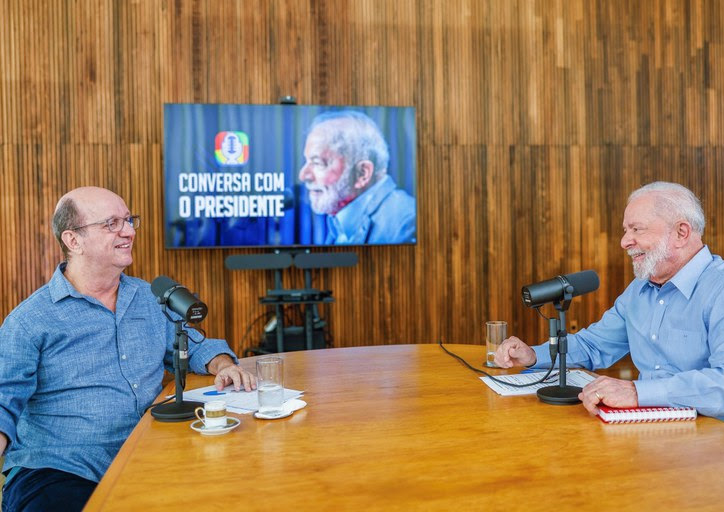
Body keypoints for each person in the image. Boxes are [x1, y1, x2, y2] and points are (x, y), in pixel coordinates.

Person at [0, 187, 255, 511]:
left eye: (129, 220)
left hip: (148, 457)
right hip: (58, 469)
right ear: (73, 240)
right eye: (112, 224)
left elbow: (195, 346)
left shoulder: (149, 299)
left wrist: (224, 365)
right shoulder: (29, 319)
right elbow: (3, 400)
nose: (129, 231)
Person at [495, 181, 724, 435]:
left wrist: (639, 393)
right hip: (663, 433)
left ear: (681, 233)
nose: (624, 242)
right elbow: (594, 346)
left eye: (637, 229)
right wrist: (534, 356)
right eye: (626, 231)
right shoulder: (640, 289)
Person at [298, 110, 416, 245]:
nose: (303, 175)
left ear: (362, 174)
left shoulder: (408, 226)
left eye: (317, 163)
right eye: (307, 161)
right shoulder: (340, 219)